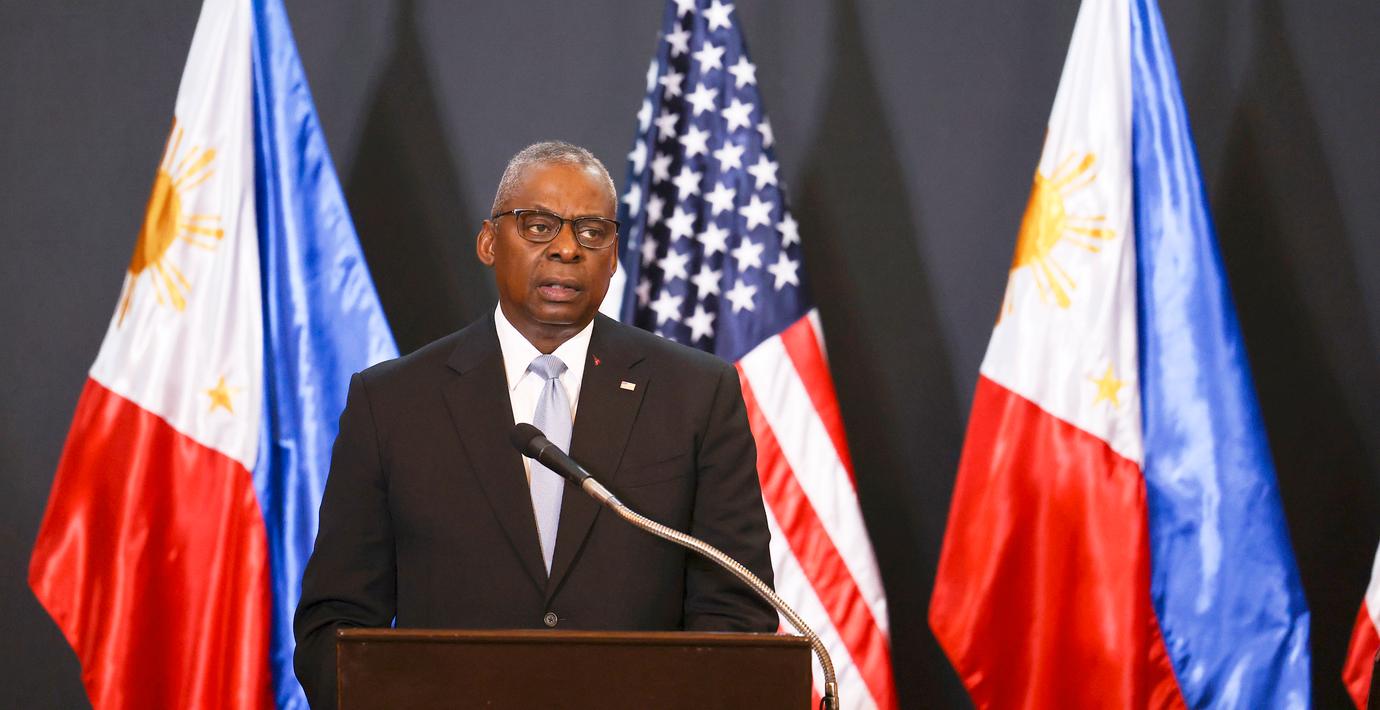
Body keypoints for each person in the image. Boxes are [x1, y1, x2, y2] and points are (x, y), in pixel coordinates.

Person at [293, 141, 777, 708]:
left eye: (592, 232)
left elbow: (736, 611)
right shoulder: (393, 401)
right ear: (488, 242)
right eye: (539, 226)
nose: (567, 249)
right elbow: (336, 622)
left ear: (613, 256)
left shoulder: (695, 392)